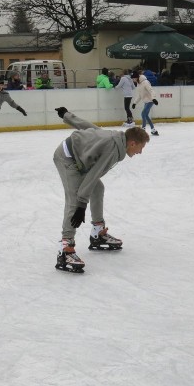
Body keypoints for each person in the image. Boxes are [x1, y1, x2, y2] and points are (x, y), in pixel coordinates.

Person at [52, 107, 150, 273]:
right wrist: (82, 205)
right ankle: (66, 248)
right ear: (132, 143)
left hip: (80, 157)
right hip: (67, 158)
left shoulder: (117, 138)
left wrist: (67, 116)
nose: (140, 152)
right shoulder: (113, 149)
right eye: (140, 147)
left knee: (98, 189)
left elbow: (89, 127)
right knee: (74, 200)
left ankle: (98, 232)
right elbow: (92, 175)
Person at [131, 71, 159, 136]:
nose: (133, 80)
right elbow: (139, 95)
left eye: (133, 78)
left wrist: (154, 98)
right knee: (145, 115)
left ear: (137, 77)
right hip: (146, 101)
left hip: (150, 101)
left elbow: (151, 90)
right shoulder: (138, 84)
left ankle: (143, 130)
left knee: (143, 114)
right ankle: (153, 130)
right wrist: (135, 103)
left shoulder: (145, 82)